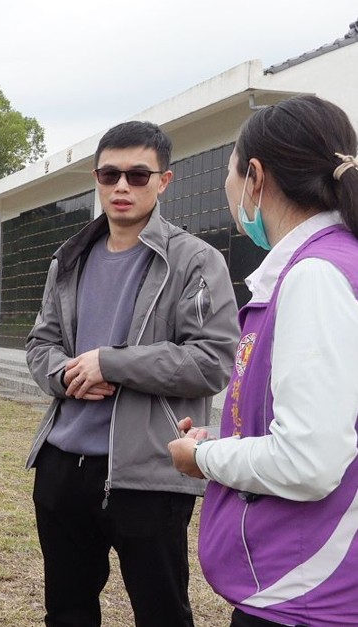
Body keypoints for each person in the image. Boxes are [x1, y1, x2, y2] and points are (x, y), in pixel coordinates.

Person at [25, 121, 239, 626]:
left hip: (151, 469)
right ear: (96, 179)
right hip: (62, 463)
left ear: (164, 181)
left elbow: (211, 361)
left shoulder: (195, 260)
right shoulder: (70, 258)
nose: (122, 186)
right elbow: (41, 343)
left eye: (138, 175)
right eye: (110, 174)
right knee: (67, 609)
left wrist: (113, 363)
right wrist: (65, 373)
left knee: (161, 611)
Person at [168, 96, 358, 627]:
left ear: (254, 176)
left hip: (307, 598)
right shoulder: (329, 264)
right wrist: (225, 440)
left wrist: (202, 460)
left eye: (231, 168)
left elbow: (309, 461)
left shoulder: (316, 275)